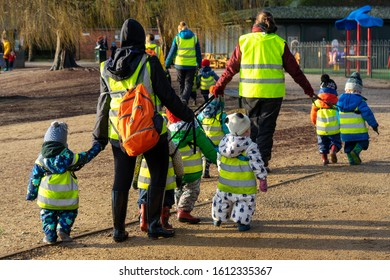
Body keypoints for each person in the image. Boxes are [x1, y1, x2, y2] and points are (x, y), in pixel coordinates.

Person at [92, 18, 194, 242]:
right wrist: (188, 114)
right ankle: (154, 225)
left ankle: (118, 230)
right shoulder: (149, 62)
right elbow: (167, 96)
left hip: (118, 134)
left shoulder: (105, 67)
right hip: (149, 130)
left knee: (121, 178)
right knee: (158, 172)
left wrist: (98, 137)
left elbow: (103, 106)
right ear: (140, 39)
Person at [212, 11, 315, 171]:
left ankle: (250, 160)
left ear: (255, 24)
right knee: (267, 128)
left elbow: (231, 68)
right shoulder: (279, 43)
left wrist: (219, 85)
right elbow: (295, 71)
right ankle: (262, 162)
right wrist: (308, 89)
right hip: (273, 94)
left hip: (249, 92)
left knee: (250, 127)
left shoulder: (244, 41)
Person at [26, 121, 102, 244]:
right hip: (67, 198)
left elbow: (34, 179)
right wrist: (97, 147)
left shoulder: (41, 160)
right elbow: (86, 156)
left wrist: (31, 194)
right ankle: (63, 230)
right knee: (69, 214)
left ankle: (50, 236)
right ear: (63, 142)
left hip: (47, 198)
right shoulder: (70, 158)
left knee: (47, 216)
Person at [212, 112, 268, 231]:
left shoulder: (224, 143)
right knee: (245, 204)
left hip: (225, 183)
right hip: (244, 186)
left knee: (221, 200)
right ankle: (242, 222)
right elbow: (257, 163)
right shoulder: (250, 146)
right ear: (247, 131)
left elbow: (219, 159)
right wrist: (262, 177)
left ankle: (218, 218)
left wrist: (220, 168)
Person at [166, 109, 217, 224]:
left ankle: (179, 207)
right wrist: (219, 161)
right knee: (192, 190)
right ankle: (184, 210)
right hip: (193, 170)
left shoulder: (168, 132)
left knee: (178, 188)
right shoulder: (195, 131)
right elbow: (208, 149)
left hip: (175, 170)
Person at [136, 130, 184, 231]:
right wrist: (179, 176)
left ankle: (144, 218)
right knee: (166, 201)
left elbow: (137, 162)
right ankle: (164, 222)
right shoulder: (169, 143)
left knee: (144, 199)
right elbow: (178, 160)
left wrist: (135, 179)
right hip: (166, 181)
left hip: (145, 180)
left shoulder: (143, 143)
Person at [336, 72, 379, 165]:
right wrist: (374, 125)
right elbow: (368, 114)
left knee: (348, 146)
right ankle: (355, 152)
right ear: (359, 90)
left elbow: (337, 115)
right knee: (364, 143)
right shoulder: (360, 101)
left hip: (345, 131)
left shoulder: (339, 101)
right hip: (359, 131)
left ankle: (352, 160)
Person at [165, 21, 202, 104]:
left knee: (181, 83)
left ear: (180, 29)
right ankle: (184, 99)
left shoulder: (177, 38)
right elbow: (198, 52)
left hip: (179, 64)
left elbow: (172, 53)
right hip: (191, 65)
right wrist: (199, 63)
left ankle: (182, 100)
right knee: (188, 84)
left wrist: (167, 64)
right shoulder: (194, 37)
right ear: (187, 28)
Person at [310, 74, 342, 165]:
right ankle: (333, 150)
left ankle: (324, 159)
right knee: (335, 142)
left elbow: (313, 114)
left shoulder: (317, 102)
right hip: (334, 127)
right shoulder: (337, 101)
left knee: (322, 144)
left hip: (321, 128)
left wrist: (315, 123)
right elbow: (341, 112)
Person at [197, 95, 229, 178]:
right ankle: (222, 172)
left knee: (206, 155)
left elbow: (197, 123)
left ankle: (205, 169)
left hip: (207, 141)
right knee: (220, 158)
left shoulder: (202, 114)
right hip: (219, 142)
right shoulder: (221, 115)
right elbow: (226, 130)